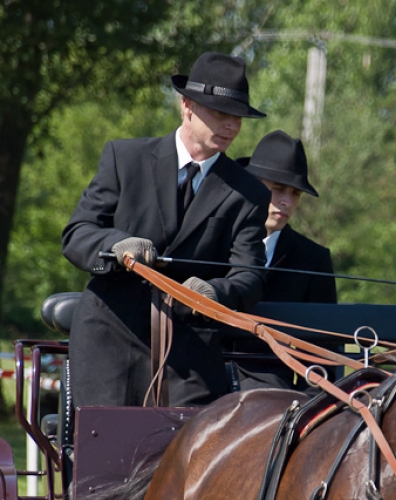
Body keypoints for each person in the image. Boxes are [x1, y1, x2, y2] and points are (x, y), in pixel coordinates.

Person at [61, 51, 271, 407]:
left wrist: (215, 292)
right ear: (187, 106)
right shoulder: (124, 159)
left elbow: (250, 276)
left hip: (191, 352)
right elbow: (77, 234)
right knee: (104, 454)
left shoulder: (250, 193)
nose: (232, 127)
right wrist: (117, 245)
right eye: (222, 115)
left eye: (238, 118)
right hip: (110, 337)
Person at [237, 130, 337, 303]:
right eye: (278, 189)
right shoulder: (218, 240)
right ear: (252, 184)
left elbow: (324, 327)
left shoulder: (313, 260)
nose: (288, 202)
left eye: (296, 193)